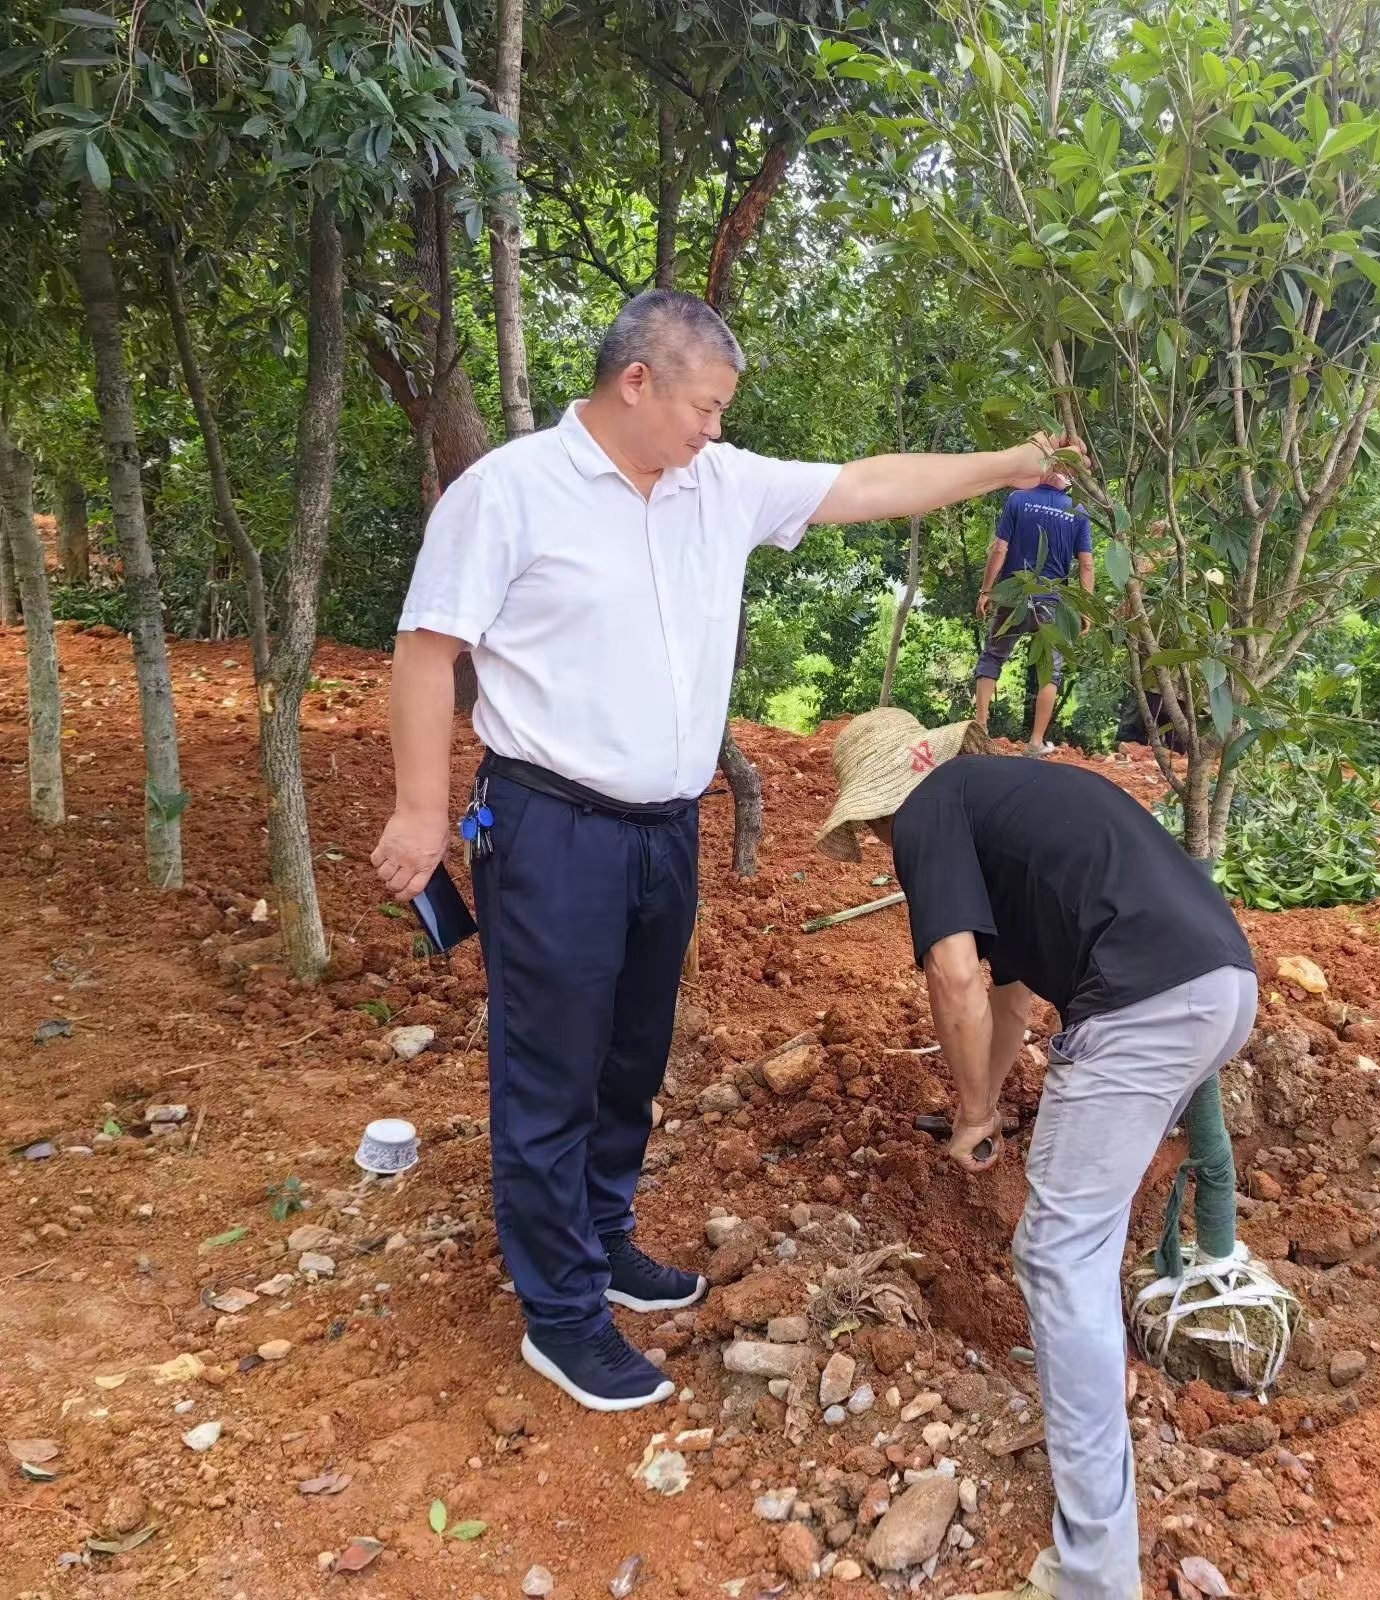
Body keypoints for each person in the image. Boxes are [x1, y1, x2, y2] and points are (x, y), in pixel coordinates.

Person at [370, 288, 1082, 1412]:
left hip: (665, 829)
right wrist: (419, 812)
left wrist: (1008, 465)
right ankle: (560, 1315)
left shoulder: (717, 484)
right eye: (706, 406)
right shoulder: (508, 492)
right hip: (548, 824)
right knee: (549, 1067)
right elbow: (425, 653)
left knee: (630, 1056)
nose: (717, 430)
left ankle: (602, 1240)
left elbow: (864, 482)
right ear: (638, 381)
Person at [816, 708, 1259, 1600]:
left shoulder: (931, 810)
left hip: (1143, 1006)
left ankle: (1095, 1575)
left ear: (880, 812)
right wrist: (974, 1113)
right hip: (1221, 988)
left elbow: (955, 978)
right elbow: (1012, 1000)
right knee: (1079, 1242)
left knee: (1058, 1256)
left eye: (871, 830)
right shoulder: (1007, 804)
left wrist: (977, 1108)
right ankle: (1110, 1436)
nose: (879, 843)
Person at [973, 481, 1094, 755]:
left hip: (1015, 592)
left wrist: (987, 591)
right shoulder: (1078, 511)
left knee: (993, 656)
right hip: (1052, 601)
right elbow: (1086, 564)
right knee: (1051, 671)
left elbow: (1000, 549)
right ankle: (1036, 742)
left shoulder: (1018, 499)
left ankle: (980, 727)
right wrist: (1086, 608)